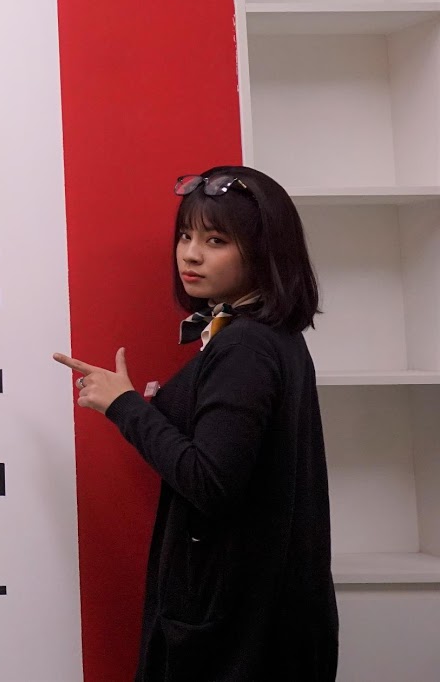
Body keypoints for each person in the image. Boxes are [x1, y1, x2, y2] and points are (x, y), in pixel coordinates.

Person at [54, 166, 337, 681]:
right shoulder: (264, 336)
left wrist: (125, 407)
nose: (190, 254)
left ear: (264, 250)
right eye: (185, 236)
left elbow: (211, 482)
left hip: (233, 631)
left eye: (216, 240)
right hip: (255, 616)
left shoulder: (245, 346)